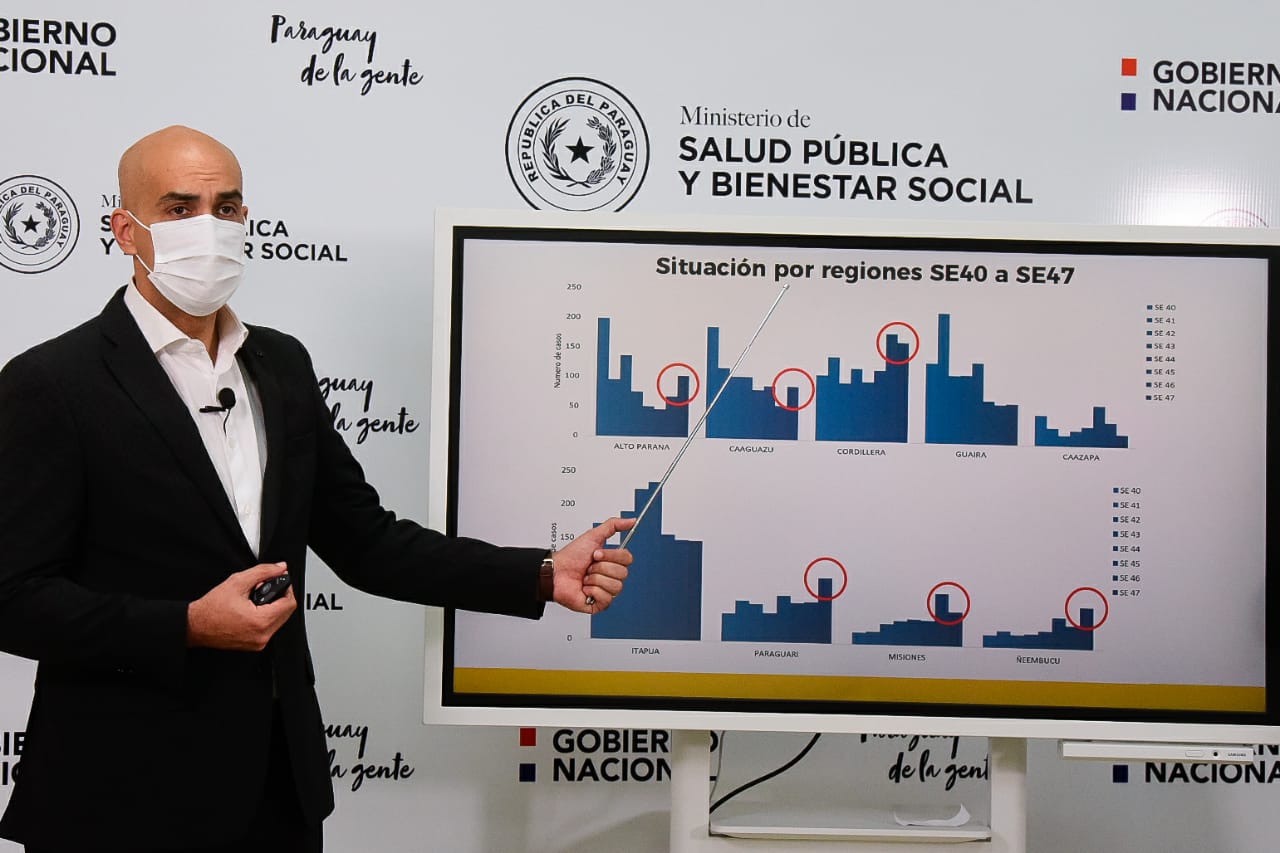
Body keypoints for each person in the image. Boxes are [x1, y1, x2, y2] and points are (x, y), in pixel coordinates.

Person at [0, 125, 634, 852]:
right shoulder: (53, 382)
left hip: (276, 790)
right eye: (179, 209)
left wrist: (543, 574)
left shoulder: (280, 365)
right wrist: (186, 624)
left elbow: (367, 543)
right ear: (125, 230)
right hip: (117, 797)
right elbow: (11, 598)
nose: (208, 227)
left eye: (226, 207)